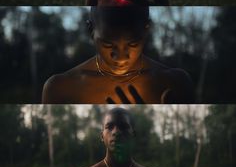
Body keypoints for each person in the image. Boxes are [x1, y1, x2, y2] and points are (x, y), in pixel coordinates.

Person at [42, 7, 194, 104]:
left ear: (146, 29)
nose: (121, 58)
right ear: (90, 30)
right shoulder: (61, 88)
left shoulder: (175, 82)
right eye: (108, 45)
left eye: (133, 44)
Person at [65, 107, 163, 167]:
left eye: (123, 126)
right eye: (109, 127)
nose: (116, 132)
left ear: (133, 135)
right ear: (102, 136)